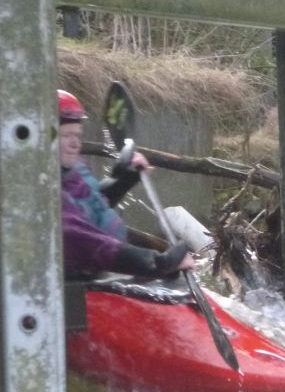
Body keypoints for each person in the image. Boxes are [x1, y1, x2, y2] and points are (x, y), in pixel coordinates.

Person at [57, 89, 195, 279]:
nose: (75, 144)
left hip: (106, 271)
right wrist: (158, 262)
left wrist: (126, 178)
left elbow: (94, 204)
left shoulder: (75, 166)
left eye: (77, 135)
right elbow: (84, 241)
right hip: (79, 287)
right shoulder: (45, 190)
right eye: (66, 136)